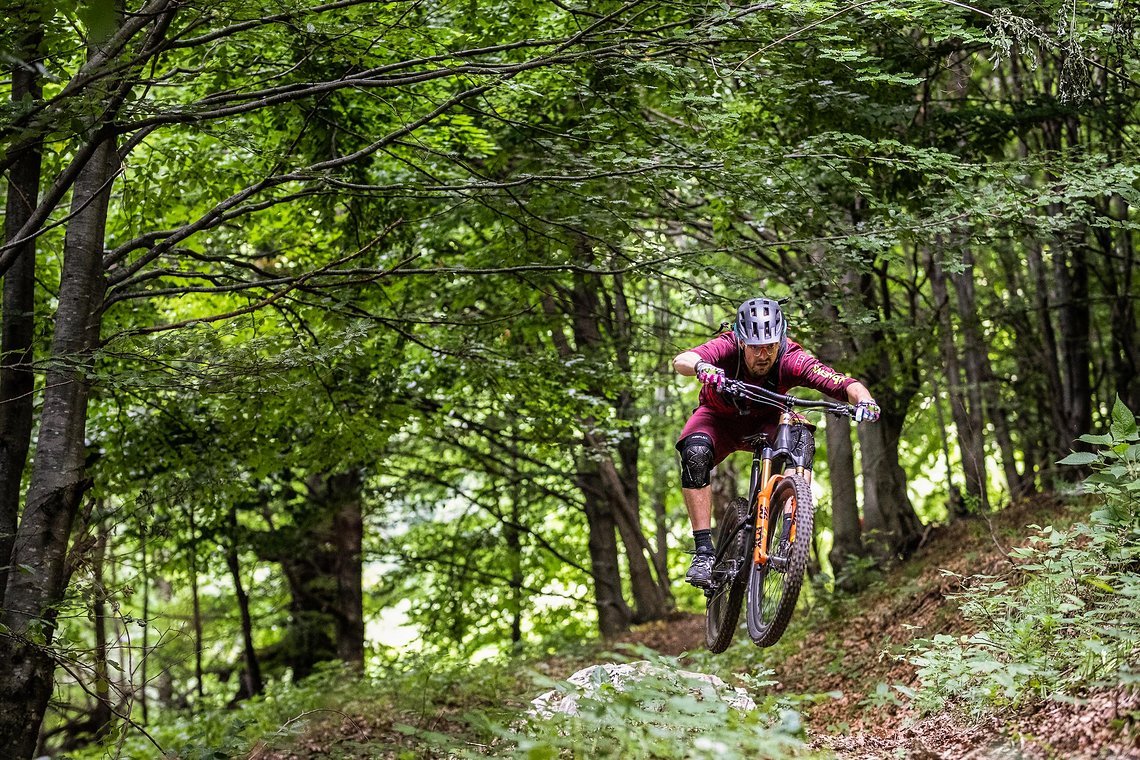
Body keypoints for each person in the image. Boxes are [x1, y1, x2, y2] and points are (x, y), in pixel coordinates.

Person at [672, 296, 880, 589]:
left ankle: (791, 533)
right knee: (695, 453)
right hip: (718, 418)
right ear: (742, 342)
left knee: (802, 437)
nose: (764, 355)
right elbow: (683, 360)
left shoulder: (792, 358)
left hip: (767, 420)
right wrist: (703, 368)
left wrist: (865, 400)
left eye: (770, 346)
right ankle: (704, 552)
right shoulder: (727, 345)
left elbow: (842, 384)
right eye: (756, 347)